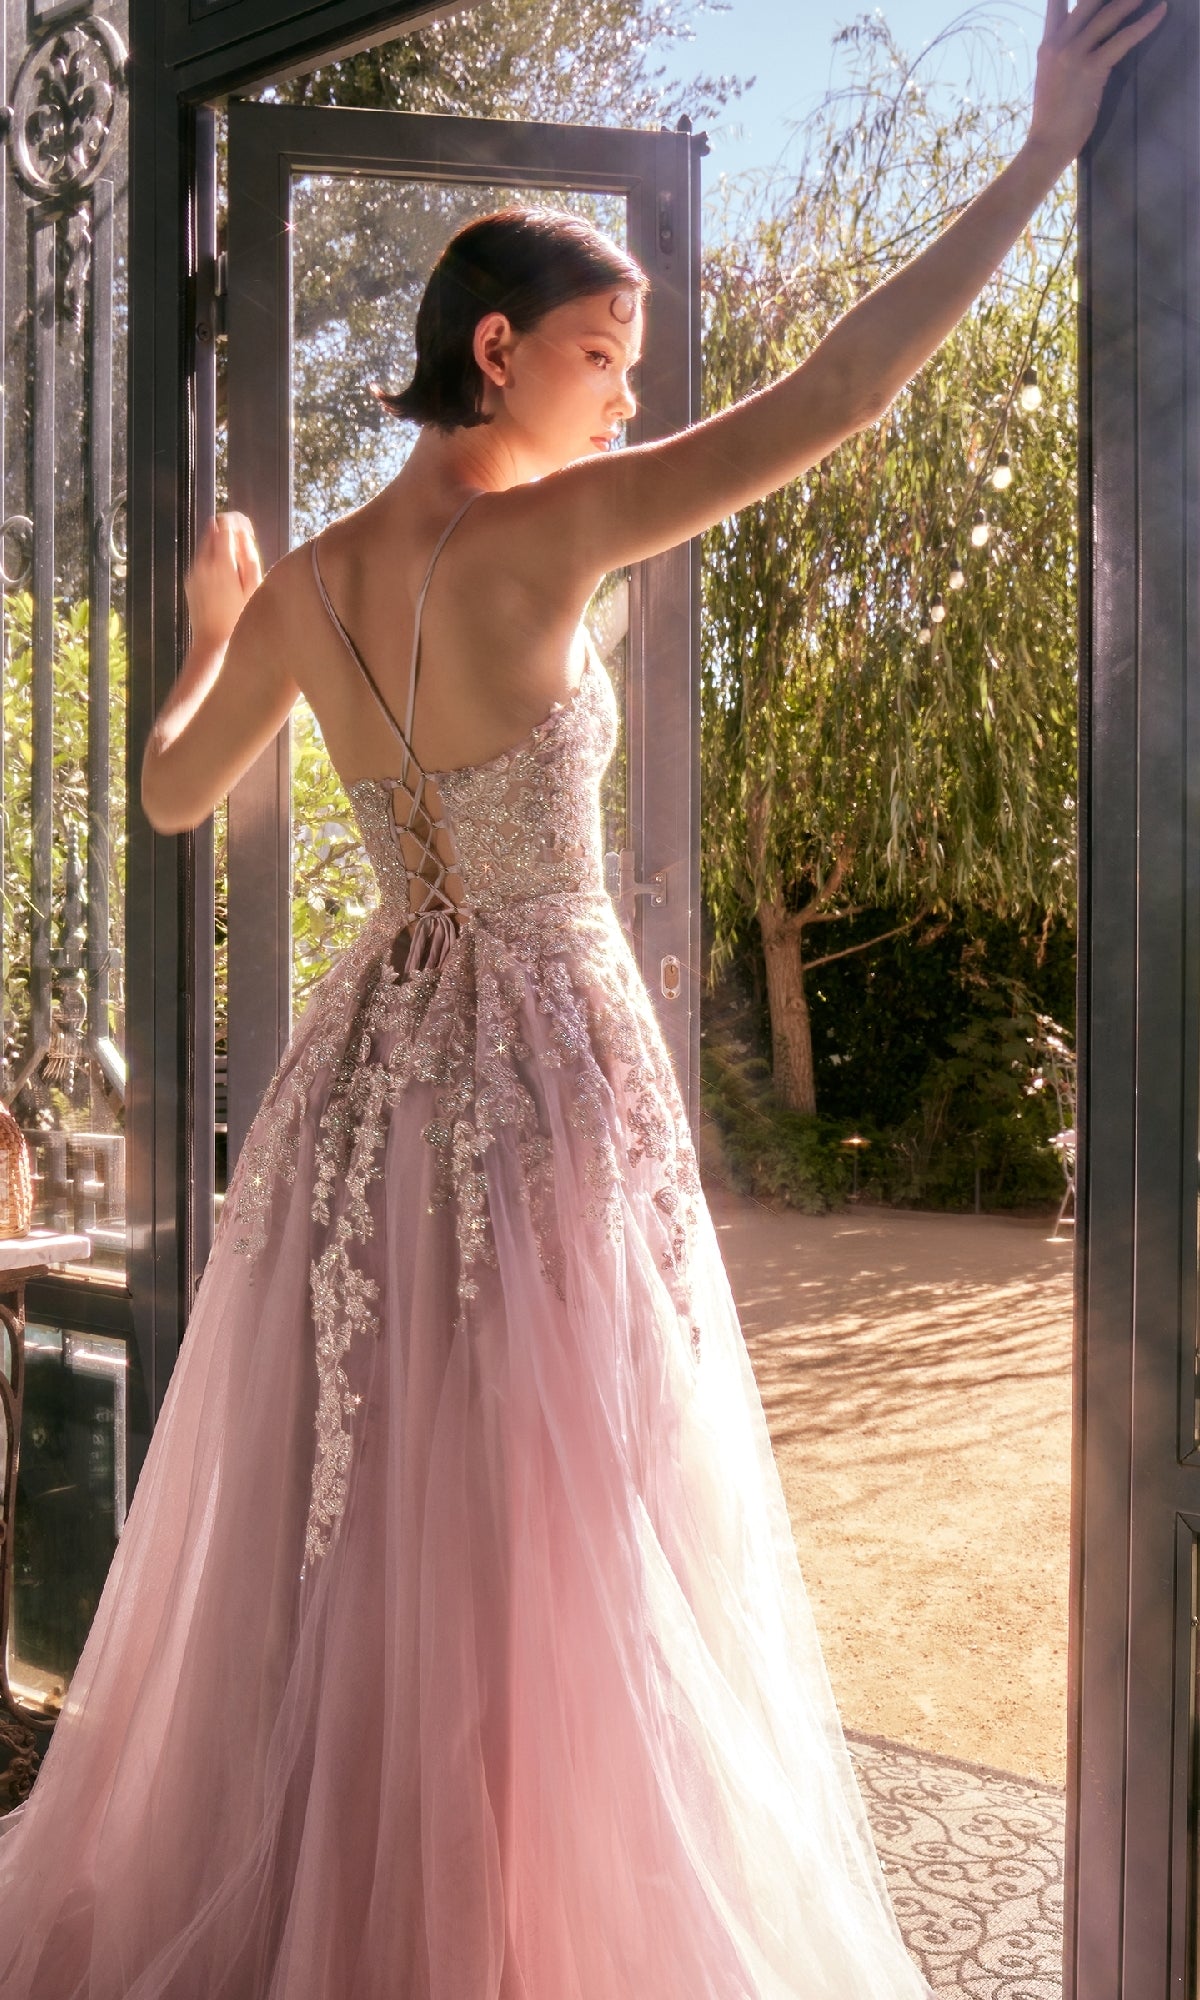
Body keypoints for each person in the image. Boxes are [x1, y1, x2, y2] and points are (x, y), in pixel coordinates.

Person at [0, 0, 1163, 1992]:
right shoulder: (545, 534)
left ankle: (401, 1906)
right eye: (610, 359)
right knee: (564, 1519)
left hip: (374, 1070)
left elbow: (181, 787)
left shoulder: (312, 586)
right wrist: (1045, 153)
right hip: (537, 1064)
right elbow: (839, 400)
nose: (630, 401)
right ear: (498, 350)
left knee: (391, 1519)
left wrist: (210, 635)